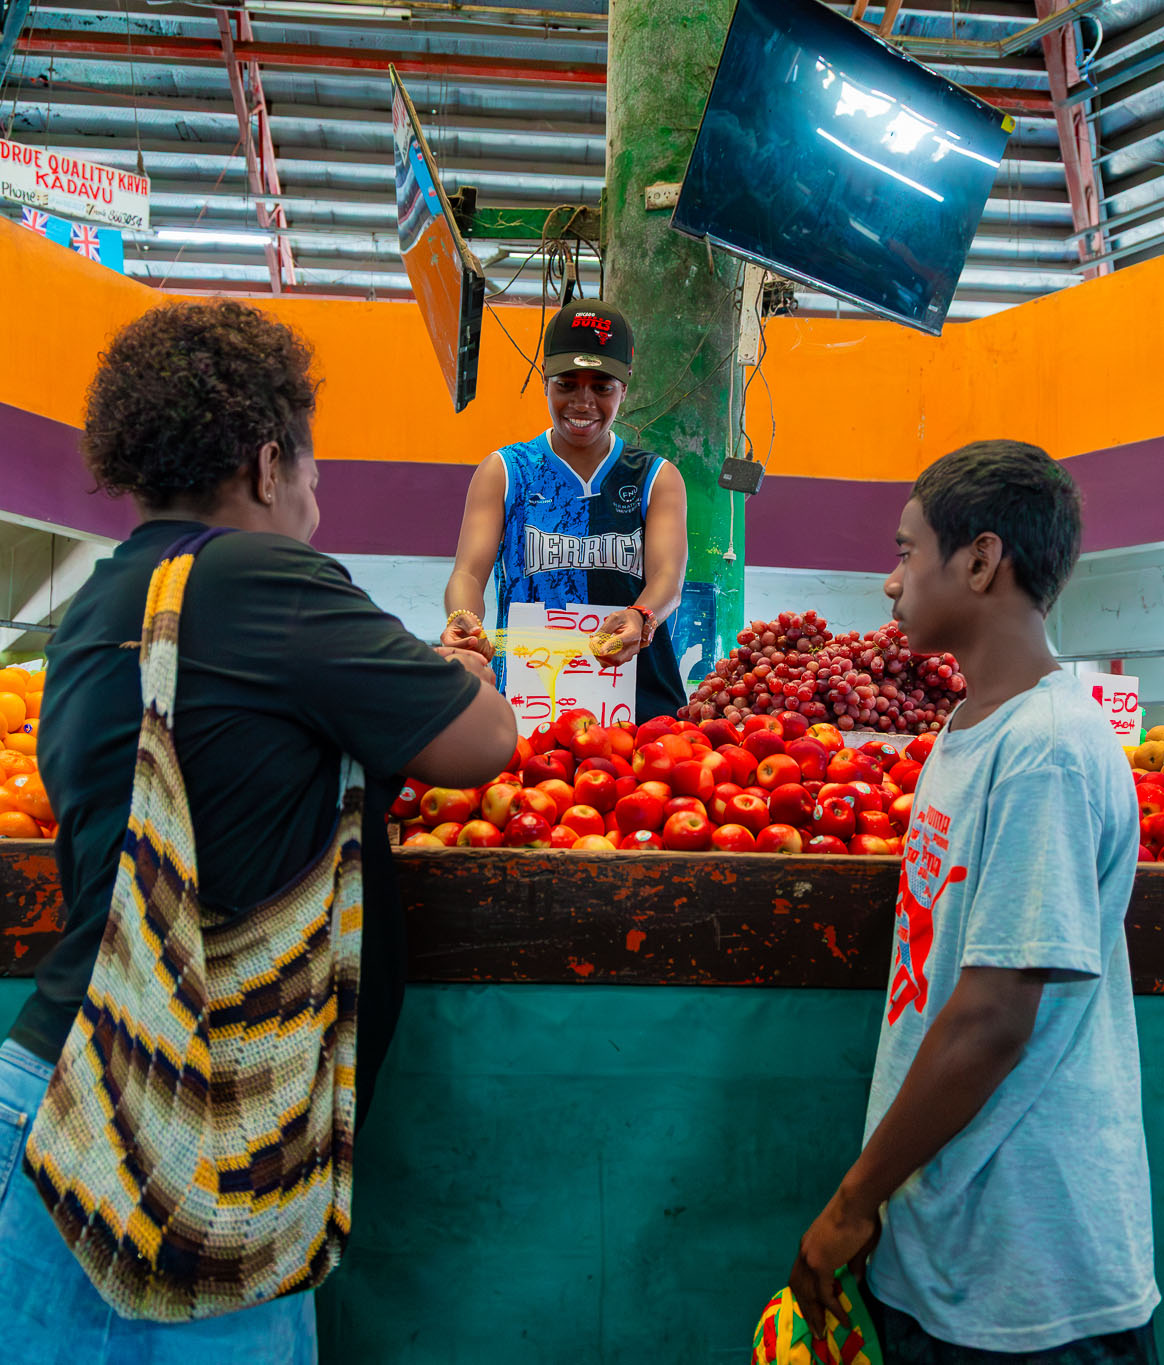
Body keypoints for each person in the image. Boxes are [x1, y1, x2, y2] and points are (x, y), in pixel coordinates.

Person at [0, 300, 517, 1363]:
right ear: (270, 462)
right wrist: (464, 665)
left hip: (54, 1095)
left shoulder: (98, 603)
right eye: (314, 473)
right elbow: (482, 742)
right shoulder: (265, 579)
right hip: (195, 1127)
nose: (317, 507)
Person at [788, 440, 1159, 1362]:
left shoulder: (1047, 748)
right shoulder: (971, 729)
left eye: (906, 551)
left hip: (1030, 1279)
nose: (890, 581)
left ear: (982, 560)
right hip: (951, 1246)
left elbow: (992, 1017)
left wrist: (853, 1200)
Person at [440, 298, 689, 723]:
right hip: (530, 704)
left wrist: (641, 615)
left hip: (639, 705)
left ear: (624, 388)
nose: (582, 402)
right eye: (567, 384)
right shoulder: (506, 471)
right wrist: (464, 618)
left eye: (601, 387)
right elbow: (467, 573)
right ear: (545, 382)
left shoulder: (656, 477)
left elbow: (668, 577)